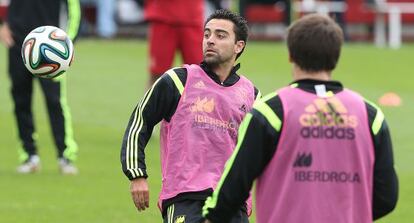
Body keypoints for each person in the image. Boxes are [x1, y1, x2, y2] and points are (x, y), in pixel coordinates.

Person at [203, 14, 398, 223]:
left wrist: (211, 217)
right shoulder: (370, 116)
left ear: (290, 56)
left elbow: (234, 188)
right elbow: (386, 197)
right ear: (336, 56)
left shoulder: (270, 111)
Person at [121, 9, 261, 223]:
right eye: (207, 34)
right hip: (184, 198)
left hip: (234, 202)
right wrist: (136, 173)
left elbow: (264, 153)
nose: (210, 41)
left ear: (238, 46)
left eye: (220, 35)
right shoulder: (178, 80)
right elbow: (139, 122)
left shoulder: (252, 95)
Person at [0, 0, 80, 174]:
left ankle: (65, 156)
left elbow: (74, 8)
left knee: (55, 101)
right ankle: (29, 156)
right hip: (17, 44)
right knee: (20, 101)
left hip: (52, 51)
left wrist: (68, 44)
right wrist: (1, 24)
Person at [142, 0, 205, 86]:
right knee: (158, 75)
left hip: (192, 17)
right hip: (162, 16)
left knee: (199, 73)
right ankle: (152, 99)